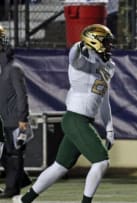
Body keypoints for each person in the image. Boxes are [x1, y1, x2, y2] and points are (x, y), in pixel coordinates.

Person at [15, 24, 116, 203]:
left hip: (84, 121)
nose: (110, 46)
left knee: (60, 166)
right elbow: (73, 56)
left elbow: (104, 99)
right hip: (76, 119)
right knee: (101, 162)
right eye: (106, 42)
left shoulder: (108, 65)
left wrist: (109, 129)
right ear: (95, 43)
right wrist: (80, 43)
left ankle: (25, 200)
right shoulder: (82, 61)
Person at [0, 25, 32, 199]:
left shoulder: (14, 69)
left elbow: (22, 95)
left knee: (14, 153)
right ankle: (20, 179)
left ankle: (13, 188)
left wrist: (22, 118)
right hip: (3, 120)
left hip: (14, 120)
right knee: (6, 153)